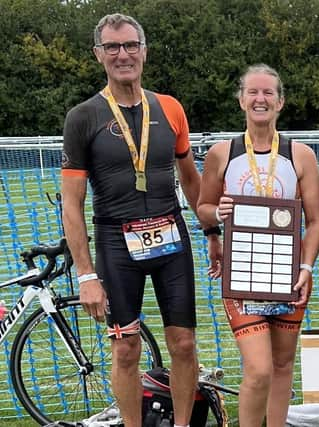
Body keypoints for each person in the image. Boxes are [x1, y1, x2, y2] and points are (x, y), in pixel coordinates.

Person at [61, 13, 221, 427]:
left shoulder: (169, 108)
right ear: (99, 55)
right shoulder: (84, 117)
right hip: (116, 242)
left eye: (131, 45)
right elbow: (71, 205)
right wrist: (85, 276)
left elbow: (191, 181)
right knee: (126, 348)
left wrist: (212, 232)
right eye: (112, 47)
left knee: (184, 344)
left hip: (171, 238)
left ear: (144, 51)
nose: (123, 54)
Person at [197, 64, 319, 427]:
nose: (260, 99)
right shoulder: (222, 153)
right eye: (253, 92)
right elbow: (204, 208)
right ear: (241, 100)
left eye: (268, 92)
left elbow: (315, 220)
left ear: (280, 102)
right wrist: (216, 213)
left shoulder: (301, 155)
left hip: (288, 275)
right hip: (242, 277)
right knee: (259, 369)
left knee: (283, 366)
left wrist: (307, 267)